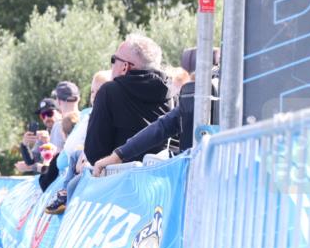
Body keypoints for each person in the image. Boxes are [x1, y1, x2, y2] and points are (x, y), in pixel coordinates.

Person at [46, 35, 172, 214]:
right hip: (156, 193)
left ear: (125, 67)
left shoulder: (110, 91)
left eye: (114, 60)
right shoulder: (169, 94)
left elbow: (94, 152)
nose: (111, 65)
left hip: (112, 194)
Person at [92, 47, 220, 175]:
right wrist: (118, 155)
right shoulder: (205, 92)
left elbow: (165, 126)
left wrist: (117, 156)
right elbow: (165, 125)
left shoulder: (109, 91)